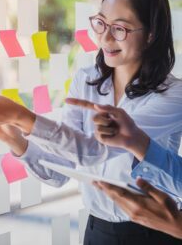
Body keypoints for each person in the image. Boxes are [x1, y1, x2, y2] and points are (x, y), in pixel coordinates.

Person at [0, 0, 182, 244]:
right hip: (97, 231)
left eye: (120, 28)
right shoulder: (87, 80)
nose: (105, 37)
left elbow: (93, 152)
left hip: (156, 232)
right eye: (101, 23)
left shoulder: (173, 95)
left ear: (151, 34)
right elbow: (60, 171)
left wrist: (22, 116)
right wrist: (14, 137)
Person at [66, 99, 182, 239]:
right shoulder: (87, 83)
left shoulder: (173, 94)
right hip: (98, 229)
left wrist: (177, 226)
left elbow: (87, 149)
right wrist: (135, 141)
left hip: (159, 228)